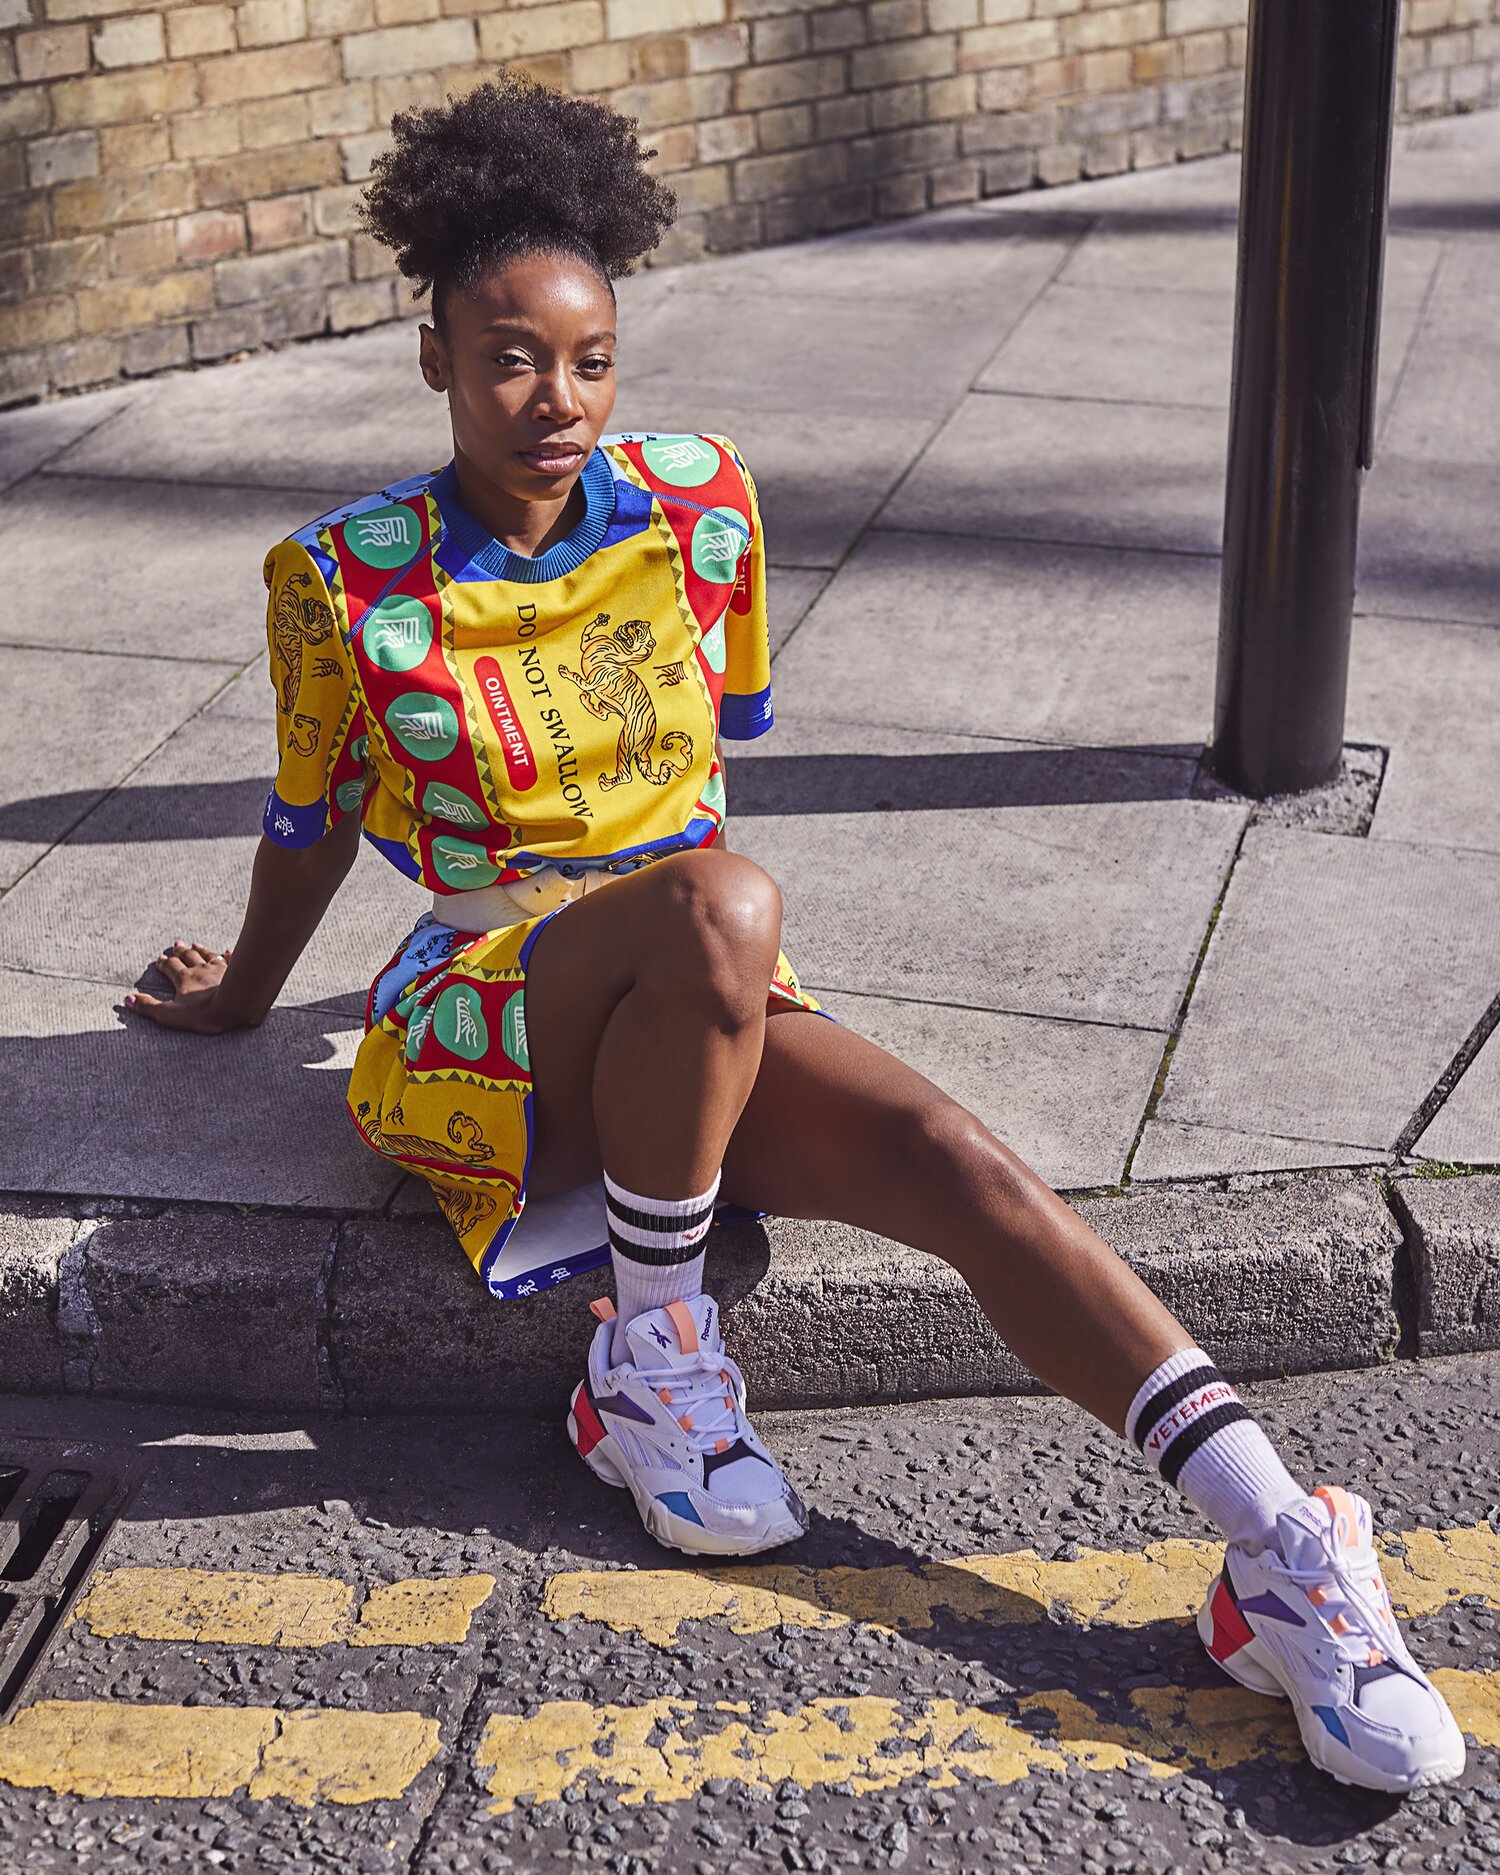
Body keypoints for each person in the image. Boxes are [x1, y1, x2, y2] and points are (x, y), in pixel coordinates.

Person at [127, 73, 1463, 1795]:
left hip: (701, 980)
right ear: (439, 356)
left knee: (959, 1158)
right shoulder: (346, 574)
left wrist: (708, 956)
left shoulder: (699, 504)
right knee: (724, 900)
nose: (558, 396)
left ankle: (1282, 1546)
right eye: (513, 356)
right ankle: (655, 1360)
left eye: (593, 357)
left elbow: (710, 759)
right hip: (477, 1019)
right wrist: (243, 996)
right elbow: (308, 820)